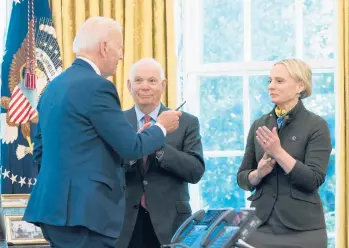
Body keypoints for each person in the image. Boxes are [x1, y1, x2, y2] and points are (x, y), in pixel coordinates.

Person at [23, 17, 182, 248]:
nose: (121, 56)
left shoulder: (54, 87)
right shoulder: (98, 86)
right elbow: (131, 148)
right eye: (119, 48)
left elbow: (40, 150)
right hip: (86, 215)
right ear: (105, 47)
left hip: (53, 212)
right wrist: (161, 127)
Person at [237, 58, 331, 248]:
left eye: (279, 81)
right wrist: (259, 173)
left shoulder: (316, 125)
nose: (271, 86)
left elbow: (314, 179)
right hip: (260, 227)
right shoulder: (260, 124)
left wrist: (278, 153)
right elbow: (242, 178)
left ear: (300, 86)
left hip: (303, 230)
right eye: (269, 81)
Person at [116, 58, 205, 248]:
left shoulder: (186, 122)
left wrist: (157, 144)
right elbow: (107, 168)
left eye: (152, 81)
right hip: (124, 225)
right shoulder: (117, 122)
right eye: (138, 81)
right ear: (129, 86)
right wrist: (135, 147)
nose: (145, 86)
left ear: (163, 85)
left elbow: (195, 171)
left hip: (171, 224)